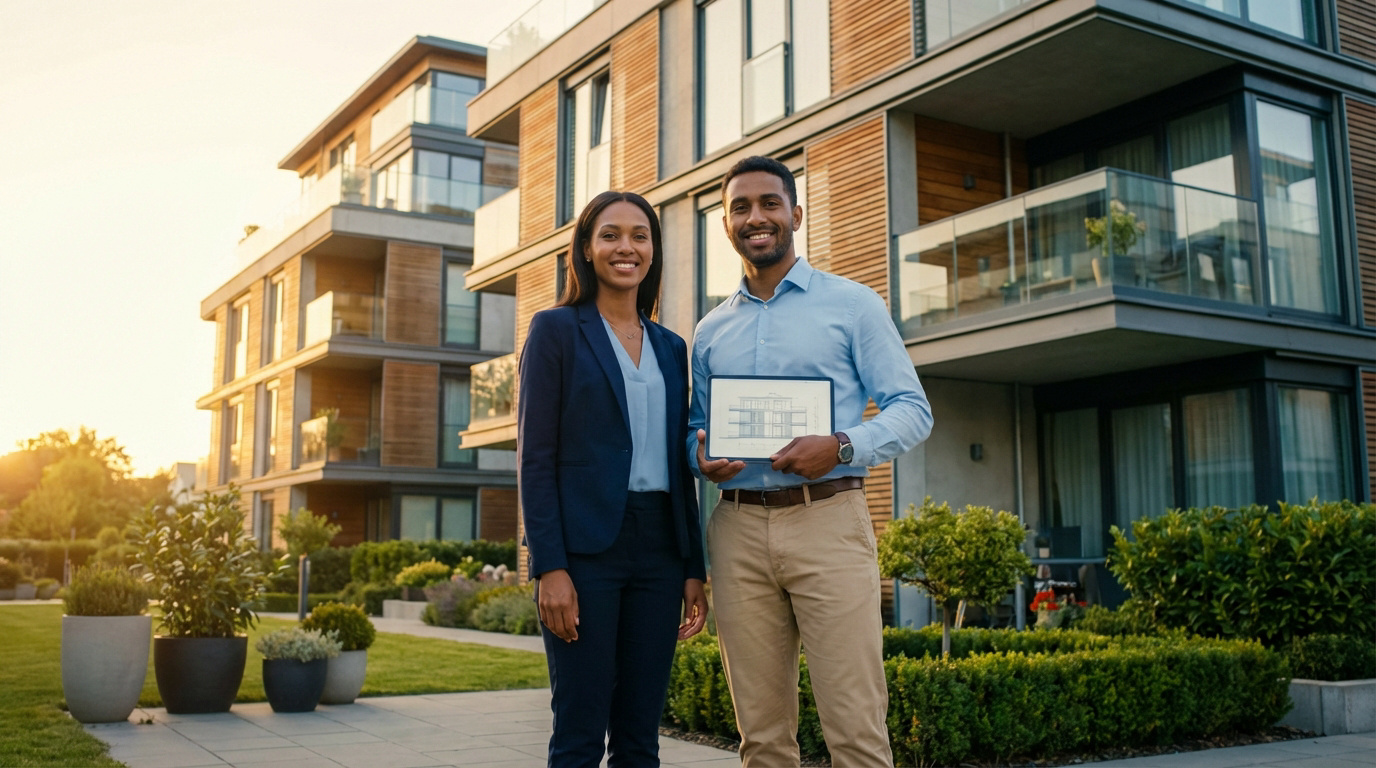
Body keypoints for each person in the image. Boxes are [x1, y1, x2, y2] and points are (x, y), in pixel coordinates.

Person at [688, 156, 933, 767]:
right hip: (737, 528)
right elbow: (696, 425)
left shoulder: (854, 305)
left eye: (770, 203)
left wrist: (842, 445)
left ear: (796, 214)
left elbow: (912, 409)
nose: (756, 217)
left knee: (854, 728)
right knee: (762, 739)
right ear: (726, 223)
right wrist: (700, 455)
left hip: (828, 519)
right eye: (740, 207)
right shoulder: (709, 330)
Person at [518, 190, 709, 767]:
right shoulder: (555, 330)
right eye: (610, 234)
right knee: (578, 729)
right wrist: (550, 566)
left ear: (652, 250)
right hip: (584, 552)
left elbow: (681, 462)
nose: (626, 247)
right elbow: (535, 457)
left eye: (639, 236)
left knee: (639, 735)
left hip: (659, 550)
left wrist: (692, 566)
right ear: (585, 248)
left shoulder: (671, 346)